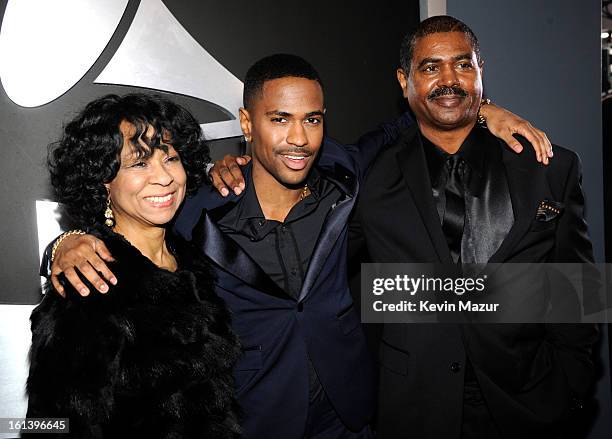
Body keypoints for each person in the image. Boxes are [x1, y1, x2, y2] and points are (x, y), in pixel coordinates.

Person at [46, 55, 552, 438]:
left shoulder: (344, 178)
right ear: (247, 124)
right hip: (254, 419)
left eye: (312, 119)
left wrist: (483, 108)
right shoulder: (197, 214)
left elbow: (405, 122)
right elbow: (50, 421)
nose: (299, 138)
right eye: (279, 119)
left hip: (349, 414)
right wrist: (65, 243)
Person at [349, 16, 598, 439]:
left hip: (529, 405)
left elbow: (577, 291)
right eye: (431, 67)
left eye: (463, 65)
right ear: (403, 79)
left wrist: (571, 387)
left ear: (482, 69)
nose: (450, 79)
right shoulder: (369, 177)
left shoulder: (549, 168)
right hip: (413, 407)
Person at [26, 94, 240, 438]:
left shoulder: (191, 259)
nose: (164, 178)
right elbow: (46, 425)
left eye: (170, 158)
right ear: (102, 180)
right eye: (139, 164)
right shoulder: (89, 282)